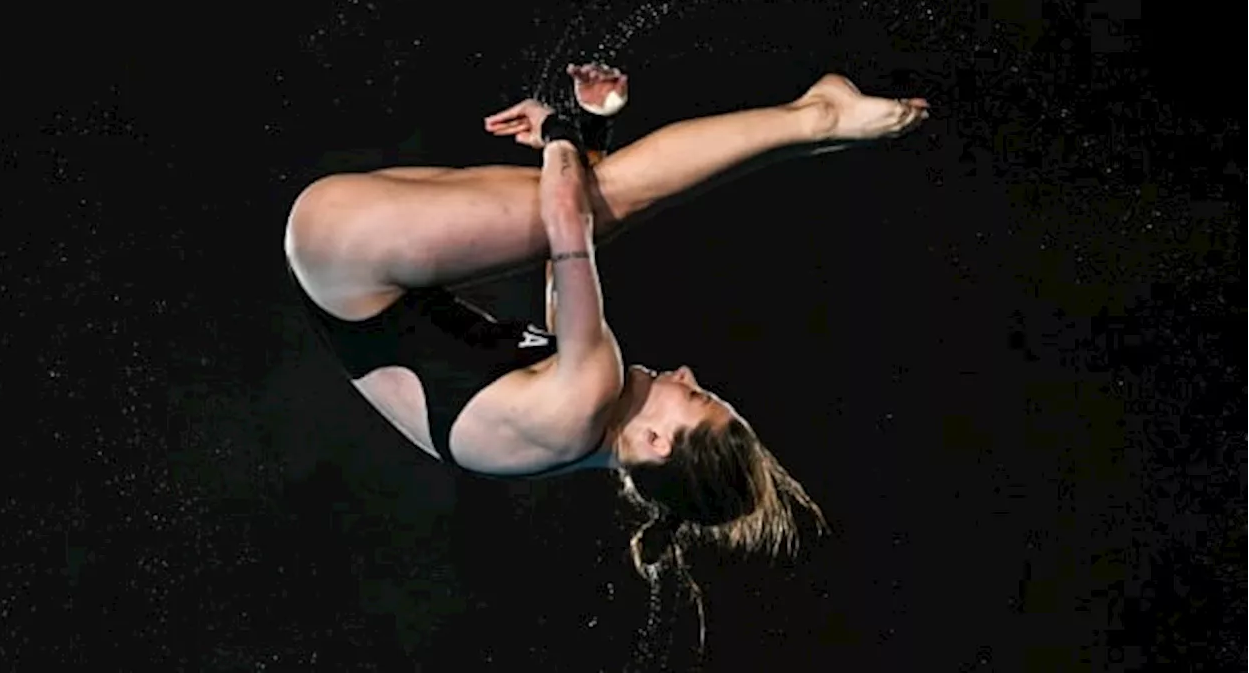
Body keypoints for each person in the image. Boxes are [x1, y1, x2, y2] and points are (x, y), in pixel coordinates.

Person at [284, 63, 928, 586]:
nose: (685, 373)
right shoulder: (576, 431)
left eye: (696, 396)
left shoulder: (592, 392)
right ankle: (818, 126)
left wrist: (561, 128)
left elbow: (570, 225)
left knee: (608, 197)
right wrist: (587, 129)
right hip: (341, 259)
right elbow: (559, 270)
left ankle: (820, 117)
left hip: (350, 245)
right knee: (596, 196)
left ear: (656, 442)